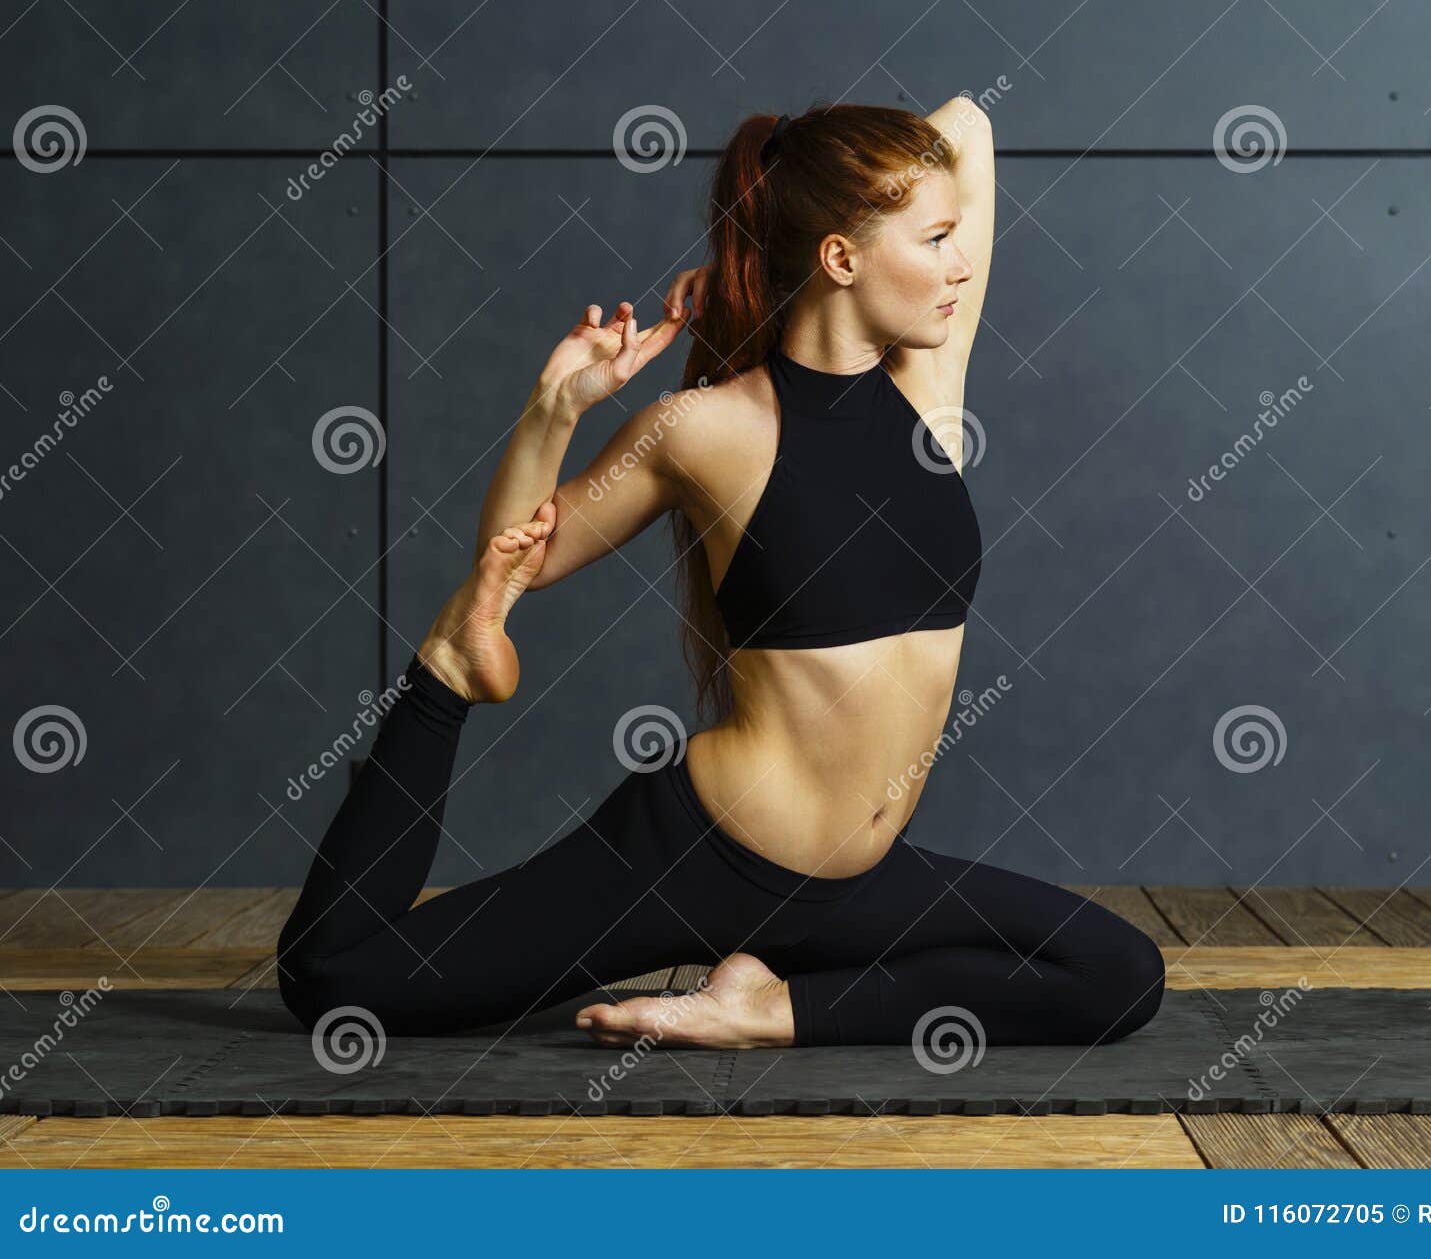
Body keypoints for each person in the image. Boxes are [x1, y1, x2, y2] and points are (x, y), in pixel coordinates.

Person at [276, 98, 1165, 1050]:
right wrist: (557, 405)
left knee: (1118, 975)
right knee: (337, 986)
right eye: (938, 238)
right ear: (841, 259)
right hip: (700, 859)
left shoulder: (927, 392)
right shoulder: (704, 430)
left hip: (856, 885)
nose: (962, 263)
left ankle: (767, 1009)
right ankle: (447, 674)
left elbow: (974, 126)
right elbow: (515, 560)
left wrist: (768, 221)